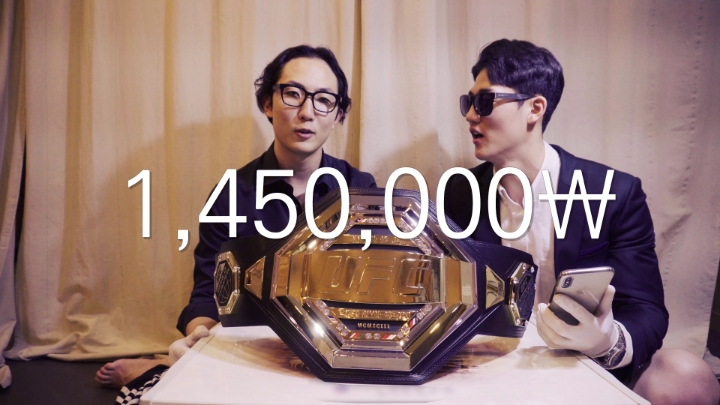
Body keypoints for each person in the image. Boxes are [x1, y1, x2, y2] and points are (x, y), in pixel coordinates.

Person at [444, 39, 719, 404]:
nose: (469, 115)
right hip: (495, 364)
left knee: (688, 376)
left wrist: (609, 342)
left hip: (590, 363)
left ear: (534, 108)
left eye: (484, 101)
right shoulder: (459, 191)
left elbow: (646, 309)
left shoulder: (614, 192)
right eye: (468, 102)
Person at [95, 45, 376, 393]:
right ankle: (170, 366)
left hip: (333, 348)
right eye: (293, 94)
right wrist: (199, 337)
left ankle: (161, 368)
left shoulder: (361, 190)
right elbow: (207, 291)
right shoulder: (230, 194)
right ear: (268, 104)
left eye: (323, 100)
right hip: (253, 350)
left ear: (338, 114)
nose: (307, 112)